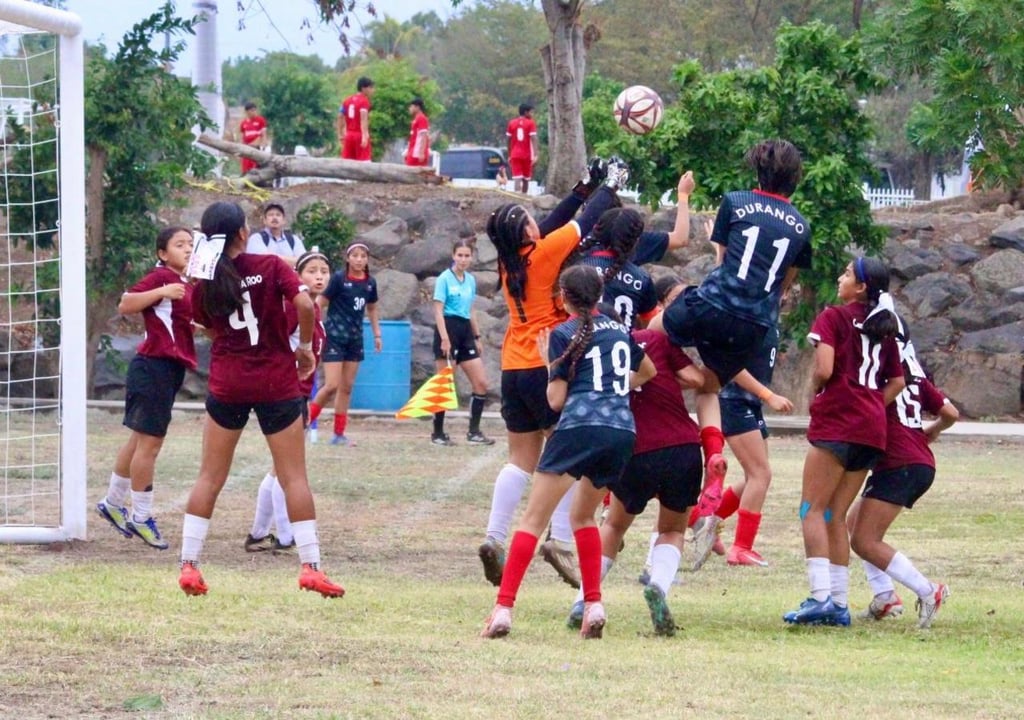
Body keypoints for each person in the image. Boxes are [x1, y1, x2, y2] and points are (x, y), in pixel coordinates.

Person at [178, 201, 343, 598]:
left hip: (228, 382)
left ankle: (189, 564)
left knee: (209, 477)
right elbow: (305, 303)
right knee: (293, 477)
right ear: (241, 234)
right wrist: (304, 347)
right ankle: (310, 566)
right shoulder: (269, 266)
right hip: (275, 381)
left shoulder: (204, 282)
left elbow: (208, 327)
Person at [481, 266, 655, 639]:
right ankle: (593, 604)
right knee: (584, 518)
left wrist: (550, 365)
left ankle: (503, 609)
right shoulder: (620, 331)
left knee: (532, 521)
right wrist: (613, 386)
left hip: (578, 428)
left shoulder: (563, 334)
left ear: (564, 297)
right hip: (621, 430)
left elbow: (556, 401)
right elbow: (648, 372)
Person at [476, 160, 626, 589]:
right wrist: (610, 185)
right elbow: (582, 223)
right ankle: (559, 540)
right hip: (548, 363)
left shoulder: (510, 260)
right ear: (525, 233)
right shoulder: (543, 254)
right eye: (528, 220)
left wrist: (585, 182)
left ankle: (493, 537)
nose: (535, 222)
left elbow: (555, 219)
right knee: (570, 459)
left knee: (519, 461)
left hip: (512, 366)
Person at [649, 140, 813, 526]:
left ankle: (640, 398)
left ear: (757, 170)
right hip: (755, 325)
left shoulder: (736, 201)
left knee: (652, 335)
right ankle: (712, 463)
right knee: (710, 387)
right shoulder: (802, 226)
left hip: (714, 303)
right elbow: (783, 285)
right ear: (795, 179)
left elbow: (724, 261)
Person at [565, 299, 704, 637]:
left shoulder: (588, 352)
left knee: (613, 526)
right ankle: (658, 585)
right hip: (682, 446)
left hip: (635, 448)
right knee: (672, 528)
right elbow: (695, 378)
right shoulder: (655, 341)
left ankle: (585, 598)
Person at [783, 257, 905, 626]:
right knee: (835, 514)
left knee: (811, 510)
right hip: (871, 429)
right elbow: (896, 382)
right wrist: (869, 405)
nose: (841, 277)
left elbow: (824, 368)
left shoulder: (833, 317)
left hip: (838, 422)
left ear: (862, 286)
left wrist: (818, 392)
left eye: (848, 274)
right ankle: (838, 603)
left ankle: (821, 597)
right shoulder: (885, 327)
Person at [95, 227, 196, 550]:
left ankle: (112, 502)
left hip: (168, 370)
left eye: (191, 245)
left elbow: (183, 323)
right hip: (152, 368)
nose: (187, 249)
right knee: (150, 445)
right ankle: (141, 517)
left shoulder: (184, 284)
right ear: (162, 253)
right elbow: (126, 303)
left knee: (139, 439)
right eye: (179, 245)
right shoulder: (161, 277)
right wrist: (162, 291)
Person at [848, 335, 957, 629]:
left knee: (864, 540)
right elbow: (951, 414)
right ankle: (885, 596)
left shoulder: (880, 378)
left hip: (900, 465)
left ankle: (927, 590)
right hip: (919, 463)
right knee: (854, 523)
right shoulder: (917, 378)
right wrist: (932, 430)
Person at [245, 247, 331, 553]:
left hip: (299, 391)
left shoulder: (314, 308)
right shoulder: (298, 306)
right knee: (288, 469)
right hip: (288, 392)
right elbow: (280, 339)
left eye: (323, 271)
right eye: (311, 271)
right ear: (297, 277)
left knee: (279, 468)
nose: (319, 276)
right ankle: (284, 536)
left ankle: (258, 533)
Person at [690, 325, 795, 570]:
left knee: (755, 476)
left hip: (749, 403)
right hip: (734, 401)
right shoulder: (751, 318)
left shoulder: (768, 317)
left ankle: (706, 520)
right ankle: (741, 549)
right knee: (761, 475)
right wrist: (768, 395)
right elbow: (732, 365)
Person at [309, 242, 381, 446]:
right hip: (334, 336)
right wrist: (314, 326)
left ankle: (338, 433)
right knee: (331, 385)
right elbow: (319, 303)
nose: (359, 260)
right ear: (348, 258)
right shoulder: (339, 279)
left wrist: (377, 334)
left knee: (347, 387)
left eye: (363, 256)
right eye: (355, 255)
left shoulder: (370, 283)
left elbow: (373, 309)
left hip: (355, 338)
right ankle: (306, 421)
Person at [431, 239, 493, 446]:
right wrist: (445, 338)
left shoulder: (470, 280)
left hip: (465, 330)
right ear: (453, 255)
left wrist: (477, 337)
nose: (463, 259)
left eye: (467, 256)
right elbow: (438, 310)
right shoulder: (444, 279)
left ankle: (473, 432)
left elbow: (470, 310)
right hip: (447, 329)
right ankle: (437, 433)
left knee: (481, 382)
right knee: (445, 384)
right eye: (460, 255)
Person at [577, 207, 658, 329]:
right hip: (623, 344)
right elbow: (650, 322)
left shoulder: (578, 269)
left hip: (580, 342)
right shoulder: (642, 279)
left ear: (597, 231)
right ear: (636, 240)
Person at [246, 202, 305, 268]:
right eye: (271, 215)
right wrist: (293, 261)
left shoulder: (294, 240)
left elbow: (304, 262)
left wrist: (273, 258)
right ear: (264, 220)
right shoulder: (256, 238)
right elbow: (264, 260)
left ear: (284, 220)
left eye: (278, 215)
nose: (274, 217)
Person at [338, 77, 374, 161]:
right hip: (359, 134)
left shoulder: (347, 100)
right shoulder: (364, 101)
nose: (372, 90)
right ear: (363, 88)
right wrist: (365, 136)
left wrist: (340, 133)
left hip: (349, 135)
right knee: (364, 163)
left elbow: (340, 116)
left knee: (347, 162)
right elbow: (363, 118)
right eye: (370, 87)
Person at [506, 103, 538, 194]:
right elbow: (534, 138)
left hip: (514, 154)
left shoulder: (511, 123)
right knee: (526, 178)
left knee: (517, 177)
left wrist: (509, 154)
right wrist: (535, 154)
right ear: (526, 112)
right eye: (531, 112)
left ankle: (517, 194)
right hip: (527, 154)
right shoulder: (531, 123)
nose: (532, 114)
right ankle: (524, 195)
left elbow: (508, 140)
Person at [239, 101, 267, 175]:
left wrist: (263, 144)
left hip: (255, 147)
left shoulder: (260, 120)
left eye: (255, 110)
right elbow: (242, 136)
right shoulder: (244, 123)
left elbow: (263, 134)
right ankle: (245, 176)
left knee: (255, 165)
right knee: (246, 165)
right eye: (252, 110)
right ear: (247, 112)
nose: (254, 112)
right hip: (246, 148)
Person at [404, 98, 431, 167]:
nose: (409, 109)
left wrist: (421, 153)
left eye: (411, 106)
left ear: (417, 107)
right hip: (412, 151)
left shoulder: (422, 118)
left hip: (417, 154)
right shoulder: (416, 119)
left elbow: (423, 136)